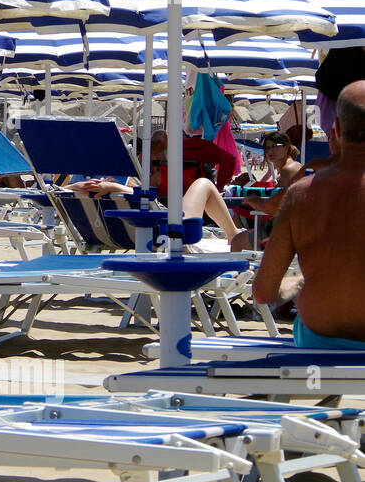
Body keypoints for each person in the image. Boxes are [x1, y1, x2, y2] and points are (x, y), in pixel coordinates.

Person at [253, 81, 365, 347]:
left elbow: (262, 292)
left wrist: (300, 282)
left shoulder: (301, 195)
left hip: (320, 342)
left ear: (335, 131)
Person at [66, 130, 244, 249]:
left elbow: (61, 189)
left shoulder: (96, 194)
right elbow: (145, 197)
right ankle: (234, 235)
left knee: (203, 185)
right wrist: (114, 186)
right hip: (171, 233)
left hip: (126, 236)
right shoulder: (143, 185)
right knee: (204, 184)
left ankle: (234, 235)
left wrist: (79, 186)